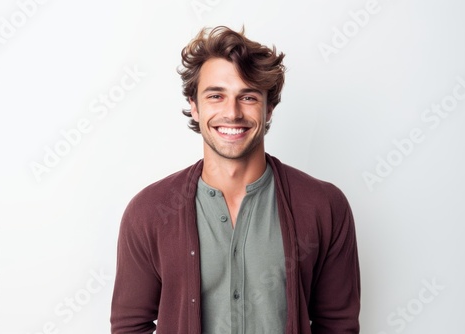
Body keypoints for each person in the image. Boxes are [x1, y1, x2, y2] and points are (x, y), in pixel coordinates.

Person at [111, 26, 360, 334]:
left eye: (248, 96)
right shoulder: (149, 211)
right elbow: (130, 326)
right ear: (195, 106)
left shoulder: (325, 206)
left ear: (269, 108)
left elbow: (338, 325)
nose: (232, 112)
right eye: (216, 95)